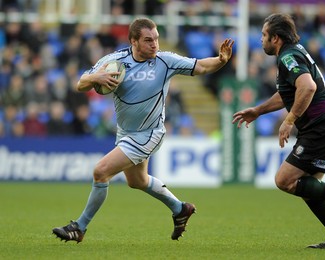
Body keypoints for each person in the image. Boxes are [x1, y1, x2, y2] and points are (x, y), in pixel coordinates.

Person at [52, 17, 234, 243]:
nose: (155, 45)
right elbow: (81, 83)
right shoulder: (114, 60)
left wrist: (221, 60)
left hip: (150, 133)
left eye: (156, 39)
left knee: (101, 171)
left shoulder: (165, 61)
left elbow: (201, 66)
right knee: (137, 181)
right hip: (126, 133)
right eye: (148, 40)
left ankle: (79, 227)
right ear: (133, 41)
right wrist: (95, 77)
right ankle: (180, 209)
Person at [232, 13, 325, 249]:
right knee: (308, 189)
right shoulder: (294, 51)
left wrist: (289, 120)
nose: (261, 40)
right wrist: (259, 111)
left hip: (321, 128)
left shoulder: (288, 56)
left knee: (284, 180)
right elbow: (289, 94)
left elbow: (308, 87)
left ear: (276, 38)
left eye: (264, 35)